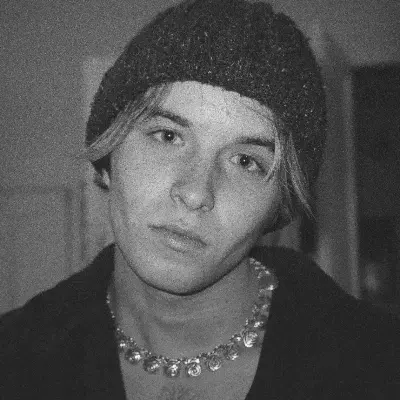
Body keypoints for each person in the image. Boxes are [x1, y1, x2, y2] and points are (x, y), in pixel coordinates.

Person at [1, 0, 399, 399]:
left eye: (246, 162)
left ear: (280, 206)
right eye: (168, 136)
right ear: (108, 157)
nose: (195, 194)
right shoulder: (16, 359)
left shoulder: (377, 366)